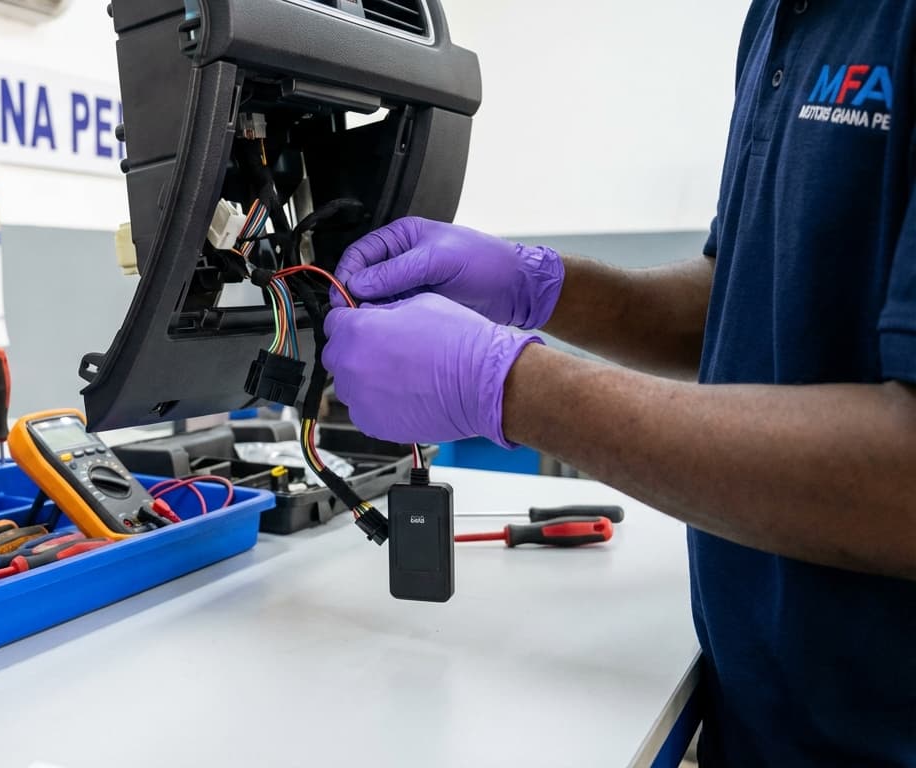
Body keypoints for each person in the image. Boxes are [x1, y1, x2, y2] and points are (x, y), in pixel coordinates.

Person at [322, 2, 916, 766]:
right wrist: (538, 284)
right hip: (763, 720)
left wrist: (510, 385)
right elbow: (737, 299)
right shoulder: (780, 17)